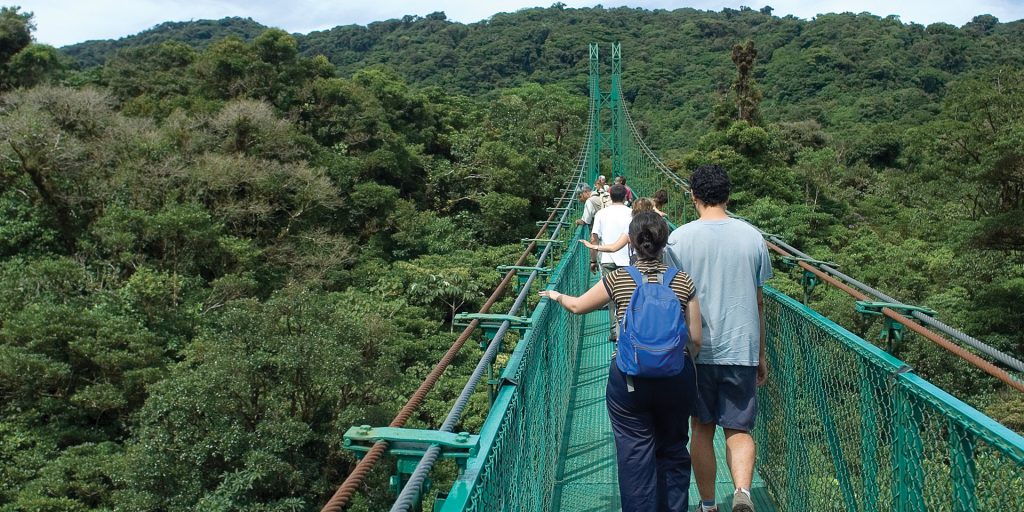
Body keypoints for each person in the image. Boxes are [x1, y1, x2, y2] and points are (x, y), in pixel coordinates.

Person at [540, 211, 703, 512]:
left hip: (630, 381)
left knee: (634, 456)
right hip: (676, 379)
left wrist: (556, 295)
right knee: (674, 451)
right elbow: (695, 339)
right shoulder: (683, 281)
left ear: (632, 244)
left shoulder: (618, 278)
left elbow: (577, 306)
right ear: (664, 243)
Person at [664, 164, 772, 512]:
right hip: (741, 347)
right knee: (738, 430)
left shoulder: (678, 239)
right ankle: (742, 492)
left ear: (692, 195)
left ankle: (708, 505)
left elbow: (671, 298)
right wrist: (761, 353)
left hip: (695, 352)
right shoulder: (753, 237)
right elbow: (758, 300)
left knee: (702, 428)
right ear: (728, 195)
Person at [590, 184, 632, 341]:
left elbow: (594, 238)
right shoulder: (632, 213)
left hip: (607, 259)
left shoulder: (601, 213)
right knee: (628, 295)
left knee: (611, 296)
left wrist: (593, 260)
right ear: (626, 196)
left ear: (609, 196)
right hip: (628, 260)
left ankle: (614, 331)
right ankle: (627, 329)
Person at [579, 198, 658, 257]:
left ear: (634, 210)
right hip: (657, 265)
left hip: (638, 268)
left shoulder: (633, 227)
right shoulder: (659, 224)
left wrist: (593, 246)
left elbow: (613, 248)